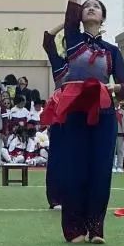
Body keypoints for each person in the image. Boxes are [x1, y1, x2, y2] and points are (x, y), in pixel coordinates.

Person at [55, 0, 124, 244]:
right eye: (87, 6)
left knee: (100, 170)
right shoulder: (73, 40)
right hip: (75, 111)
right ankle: (74, 228)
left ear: (103, 17)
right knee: (74, 168)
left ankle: (95, 227)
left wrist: (115, 88)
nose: (89, 8)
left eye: (95, 6)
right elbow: (72, 3)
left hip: (104, 113)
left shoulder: (112, 50)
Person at [41, 23, 68, 209]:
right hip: (61, 114)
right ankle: (56, 197)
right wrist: (67, 22)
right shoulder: (60, 64)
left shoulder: (89, 64)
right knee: (58, 156)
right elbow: (47, 41)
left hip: (83, 113)